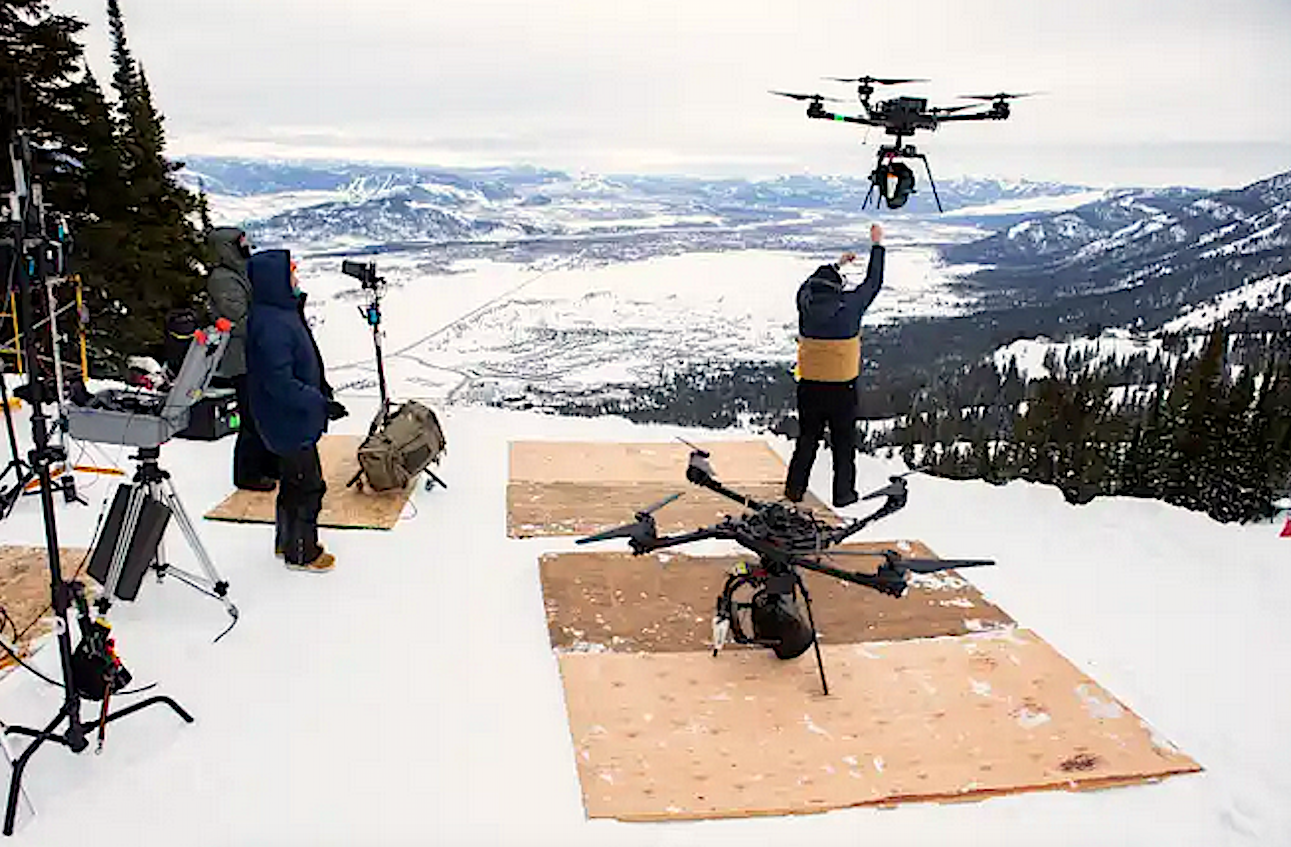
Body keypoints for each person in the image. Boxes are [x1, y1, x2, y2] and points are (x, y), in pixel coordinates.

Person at [245, 250, 347, 572]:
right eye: (291, 271)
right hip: (288, 421)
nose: (296, 277)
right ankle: (302, 552)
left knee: (292, 481)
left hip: (287, 418)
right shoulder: (273, 324)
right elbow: (280, 382)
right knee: (307, 486)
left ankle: (286, 541)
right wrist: (319, 402)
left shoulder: (278, 313)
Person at [784, 223, 886, 508]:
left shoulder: (804, 303)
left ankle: (794, 489)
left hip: (809, 388)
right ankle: (843, 494)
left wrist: (837, 264)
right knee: (843, 444)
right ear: (838, 289)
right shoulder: (850, 306)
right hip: (842, 389)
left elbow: (809, 283)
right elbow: (873, 282)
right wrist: (877, 245)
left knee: (807, 440)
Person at [205, 227, 278, 491]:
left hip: (254, 353)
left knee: (265, 414)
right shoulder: (223, 279)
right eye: (241, 244)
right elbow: (239, 319)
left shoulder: (240, 272)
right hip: (242, 357)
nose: (246, 247)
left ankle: (268, 465)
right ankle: (248, 474)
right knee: (252, 417)